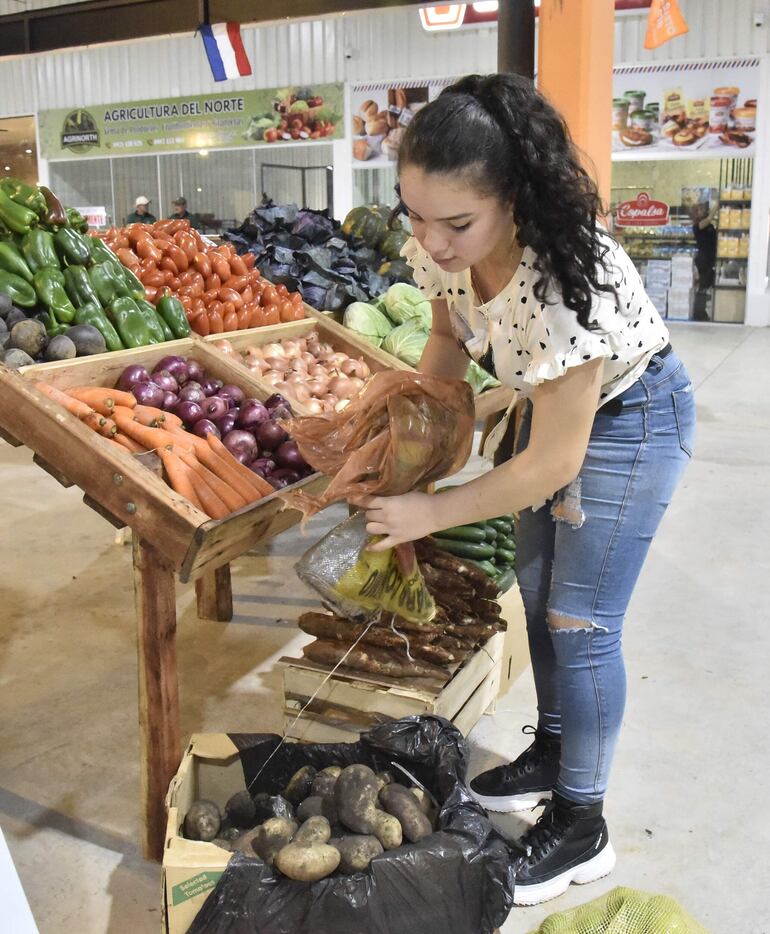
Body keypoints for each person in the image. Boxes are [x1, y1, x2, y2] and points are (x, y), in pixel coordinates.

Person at [355, 74, 696, 907]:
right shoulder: (441, 248)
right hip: (560, 418)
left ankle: (583, 823)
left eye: (457, 223)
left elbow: (547, 465)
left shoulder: (564, 285)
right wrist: (420, 438)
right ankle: (553, 747)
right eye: (415, 215)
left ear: (515, 197)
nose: (432, 242)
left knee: (581, 622)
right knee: (539, 589)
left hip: (632, 419)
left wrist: (429, 509)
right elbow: (444, 338)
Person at [691, 202, 717, 321]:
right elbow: (709, 218)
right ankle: (699, 313)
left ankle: (702, 312)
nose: (703, 210)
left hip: (710, 260)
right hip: (703, 261)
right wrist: (717, 206)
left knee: (706, 286)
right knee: (702, 287)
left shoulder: (709, 225)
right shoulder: (697, 226)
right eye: (700, 209)